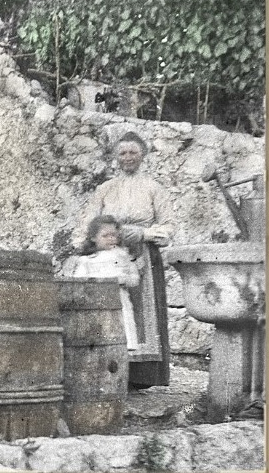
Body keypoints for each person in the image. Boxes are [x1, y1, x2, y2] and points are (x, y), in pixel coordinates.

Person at [79, 131, 175, 388]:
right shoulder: (105, 189)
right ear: (115, 156)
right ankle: (109, 370)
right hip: (108, 257)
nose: (128, 157)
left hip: (144, 256)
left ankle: (141, 377)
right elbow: (89, 224)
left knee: (143, 314)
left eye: (133, 152)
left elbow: (169, 226)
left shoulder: (154, 188)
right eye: (122, 152)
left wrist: (144, 232)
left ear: (142, 154)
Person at [73, 215, 140, 350]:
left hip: (120, 301)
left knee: (123, 329)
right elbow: (78, 281)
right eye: (105, 236)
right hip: (97, 302)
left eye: (114, 235)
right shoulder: (87, 260)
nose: (111, 239)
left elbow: (135, 279)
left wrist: (123, 279)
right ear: (93, 238)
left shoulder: (122, 256)